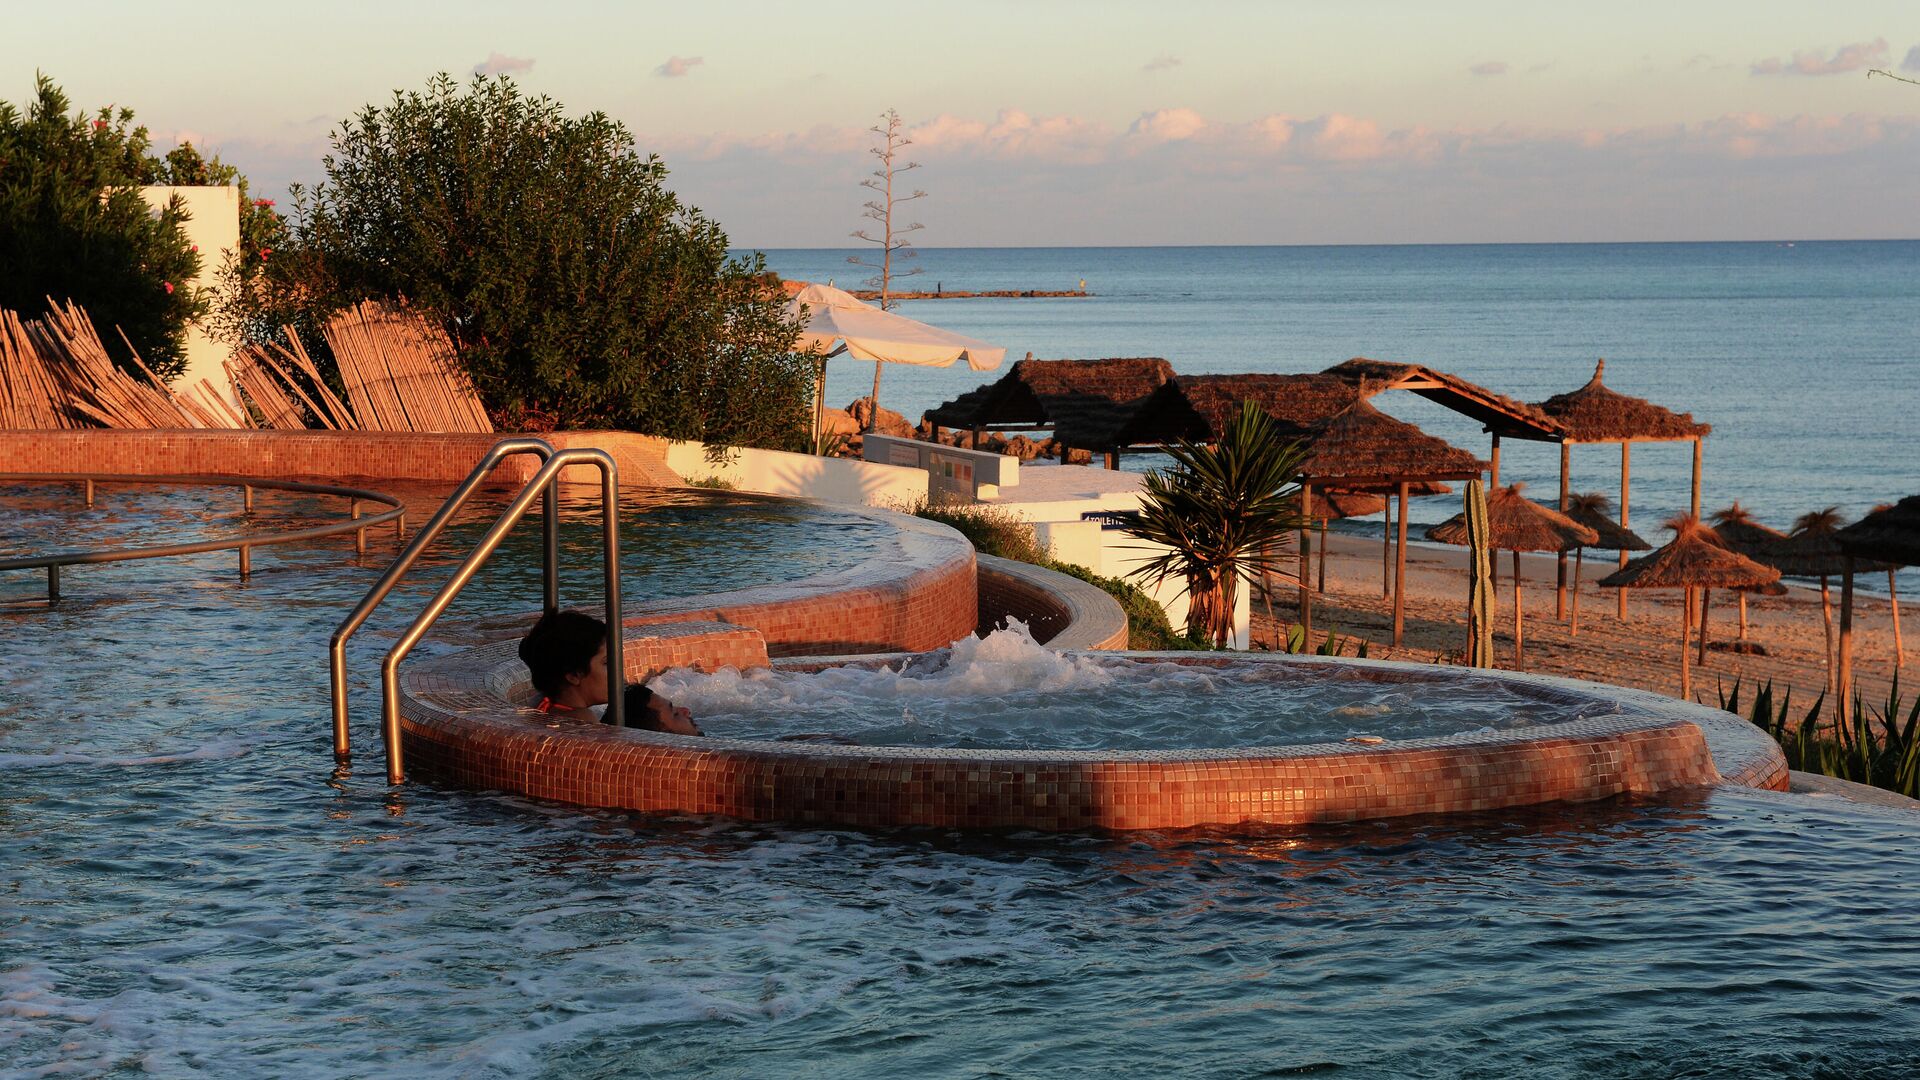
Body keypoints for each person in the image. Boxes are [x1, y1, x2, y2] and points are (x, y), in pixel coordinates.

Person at [518, 609, 702, 735]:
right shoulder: (583, 722)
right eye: (606, 663)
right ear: (574, 675)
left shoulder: (541, 702)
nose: (616, 671)